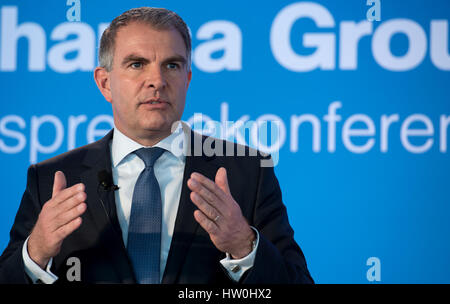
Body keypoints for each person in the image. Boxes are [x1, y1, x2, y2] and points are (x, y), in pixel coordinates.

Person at [0, 7, 313, 284]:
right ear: (105, 83)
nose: (157, 80)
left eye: (172, 65)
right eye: (137, 64)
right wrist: (36, 252)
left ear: (187, 79)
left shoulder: (246, 172)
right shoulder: (52, 179)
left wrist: (244, 245)